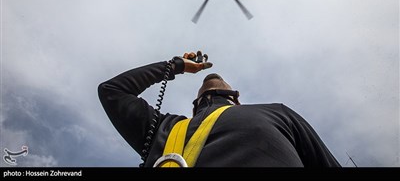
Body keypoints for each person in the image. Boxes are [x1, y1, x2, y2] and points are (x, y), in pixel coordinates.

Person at [98, 51, 341, 167]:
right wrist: (176, 66)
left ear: (237, 100)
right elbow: (112, 91)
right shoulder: (165, 129)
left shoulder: (277, 113)